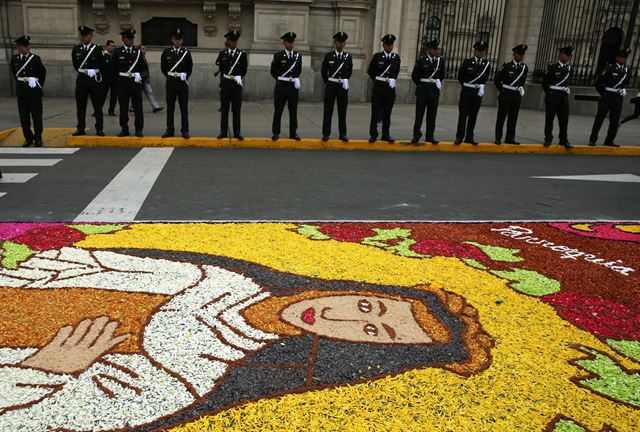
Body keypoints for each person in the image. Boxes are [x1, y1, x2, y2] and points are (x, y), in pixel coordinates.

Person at [0, 246, 492, 431]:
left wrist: (43, 371)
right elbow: (75, 262)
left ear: (366, 349)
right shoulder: (217, 279)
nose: (342, 318)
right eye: (367, 305)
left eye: (371, 331)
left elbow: (41, 419)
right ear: (355, 290)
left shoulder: (186, 377)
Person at [589, 48, 631, 147]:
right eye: (621, 57)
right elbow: (598, 83)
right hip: (607, 96)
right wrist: (605, 93)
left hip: (618, 97)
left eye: (625, 57)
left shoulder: (627, 70)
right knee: (600, 118)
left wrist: (623, 88)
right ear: (617, 58)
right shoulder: (609, 68)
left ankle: (610, 140)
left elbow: (626, 82)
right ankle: (593, 139)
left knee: (615, 120)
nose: (624, 59)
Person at [10, 35, 46, 147]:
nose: (27, 48)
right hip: (22, 92)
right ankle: (28, 138)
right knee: (24, 116)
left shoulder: (35, 59)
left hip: (34, 92)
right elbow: (15, 74)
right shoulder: (15, 59)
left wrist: (36, 84)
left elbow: (42, 74)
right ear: (19, 47)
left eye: (28, 45)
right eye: (24, 46)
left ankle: (38, 138)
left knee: (37, 116)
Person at [455, 41, 491, 145]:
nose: (480, 53)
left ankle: (469, 137)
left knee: (473, 116)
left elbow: (485, 78)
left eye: (482, 51)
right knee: (463, 115)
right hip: (467, 91)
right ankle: (460, 136)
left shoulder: (487, 64)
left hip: (477, 93)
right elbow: (460, 77)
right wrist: (468, 86)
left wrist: (479, 87)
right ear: (475, 51)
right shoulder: (467, 62)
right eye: (478, 50)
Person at [72, 25, 105, 137]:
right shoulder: (76, 49)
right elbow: (76, 65)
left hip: (94, 82)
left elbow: (103, 65)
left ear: (91, 36)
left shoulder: (98, 49)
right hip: (82, 81)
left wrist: (94, 71)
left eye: (86, 35)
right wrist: (85, 71)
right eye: (82, 35)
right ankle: (80, 128)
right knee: (80, 106)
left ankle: (99, 129)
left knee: (98, 107)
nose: (83, 38)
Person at [113, 28, 147, 137]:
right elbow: (113, 68)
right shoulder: (117, 52)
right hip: (122, 84)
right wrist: (117, 82)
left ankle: (139, 129)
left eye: (132, 38)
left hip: (135, 84)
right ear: (123, 39)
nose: (131, 40)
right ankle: (124, 128)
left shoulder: (138, 52)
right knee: (123, 107)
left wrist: (139, 75)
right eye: (129, 38)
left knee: (138, 108)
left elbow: (144, 68)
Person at [493, 43, 529, 145]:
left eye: (522, 54)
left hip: (516, 95)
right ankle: (498, 137)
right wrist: (502, 90)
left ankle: (510, 138)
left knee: (513, 118)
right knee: (501, 117)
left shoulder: (524, 68)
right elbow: (497, 80)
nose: (521, 56)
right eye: (519, 54)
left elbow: (522, 81)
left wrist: (519, 89)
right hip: (506, 94)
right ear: (514, 54)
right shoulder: (506, 65)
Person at [161, 28, 193, 139]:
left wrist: (183, 76)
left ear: (182, 40)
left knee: (184, 108)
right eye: (176, 39)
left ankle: (185, 130)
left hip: (182, 84)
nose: (177, 41)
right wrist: (171, 76)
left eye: (179, 39)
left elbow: (190, 68)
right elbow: (163, 68)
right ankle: (169, 129)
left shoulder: (186, 53)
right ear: (172, 40)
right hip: (170, 83)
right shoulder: (166, 52)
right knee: (170, 108)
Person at [368, 34, 401, 143]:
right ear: (383, 45)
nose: (389, 46)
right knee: (375, 111)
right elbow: (371, 71)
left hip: (390, 89)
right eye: (387, 44)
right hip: (379, 87)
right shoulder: (377, 56)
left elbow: (396, 73)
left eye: (391, 44)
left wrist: (390, 80)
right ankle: (373, 134)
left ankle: (385, 134)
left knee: (387, 112)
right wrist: (379, 80)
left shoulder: (396, 58)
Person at [411, 38, 444, 144]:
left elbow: (441, 75)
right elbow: (415, 76)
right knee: (419, 114)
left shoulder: (440, 61)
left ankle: (430, 135)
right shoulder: (421, 60)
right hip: (423, 91)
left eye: (437, 49)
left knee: (432, 114)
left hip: (434, 91)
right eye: (434, 49)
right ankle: (416, 134)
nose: (436, 51)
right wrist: (422, 85)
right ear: (429, 49)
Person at [215, 30, 248, 140]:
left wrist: (237, 76)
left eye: (235, 40)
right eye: (232, 40)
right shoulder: (222, 54)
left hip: (236, 86)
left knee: (236, 110)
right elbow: (221, 68)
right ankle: (223, 132)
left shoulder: (242, 55)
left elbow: (244, 70)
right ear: (228, 41)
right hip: (225, 85)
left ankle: (237, 132)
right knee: (224, 110)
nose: (234, 43)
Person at [321, 31, 353, 142]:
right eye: (339, 42)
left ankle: (342, 134)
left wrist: (344, 81)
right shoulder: (329, 56)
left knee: (342, 111)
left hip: (342, 86)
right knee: (328, 110)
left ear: (345, 43)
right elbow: (323, 72)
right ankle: (326, 133)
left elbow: (349, 72)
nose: (340, 44)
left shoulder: (348, 57)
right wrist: (329, 82)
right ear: (335, 42)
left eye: (342, 42)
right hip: (331, 85)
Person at [271, 31, 302, 141]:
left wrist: (294, 79)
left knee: (293, 111)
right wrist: (281, 80)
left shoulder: (298, 56)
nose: (291, 44)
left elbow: (299, 70)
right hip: (282, 87)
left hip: (293, 87)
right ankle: (276, 132)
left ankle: (293, 133)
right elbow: (273, 71)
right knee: (278, 110)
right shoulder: (278, 55)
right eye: (288, 42)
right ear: (284, 42)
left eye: (292, 42)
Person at [541, 46, 574, 148]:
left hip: (563, 96)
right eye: (565, 55)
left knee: (564, 119)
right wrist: (550, 92)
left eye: (569, 55)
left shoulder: (569, 69)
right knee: (550, 118)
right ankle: (548, 138)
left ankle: (563, 139)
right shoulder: (552, 67)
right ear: (560, 55)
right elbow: (545, 83)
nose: (567, 57)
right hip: (553, 95)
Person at [101, 40, 118, 116]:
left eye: (114, 46)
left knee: (114, 96)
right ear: (107, 46)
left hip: (114, 79)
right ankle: (98, 110)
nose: (113, 47)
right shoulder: (102, 55)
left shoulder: (115, 55)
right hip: (105, 78)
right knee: (101, 95)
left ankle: (111, 110)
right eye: (111, 46)